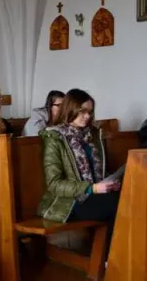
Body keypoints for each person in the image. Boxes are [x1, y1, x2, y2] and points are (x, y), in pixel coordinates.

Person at [38, 88, 120, 259]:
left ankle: (116, 258)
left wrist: (110, 182)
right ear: (70, 109)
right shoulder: (55, 138)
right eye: (82, 111)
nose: (87, 116)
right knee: (118, 202)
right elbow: (54, 184)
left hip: (93, 195)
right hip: (69, 203)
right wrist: (92, 188)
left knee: (128, 194)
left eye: (90, 112)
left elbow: (97, 171)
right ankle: (109, 260)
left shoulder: (91, 136)